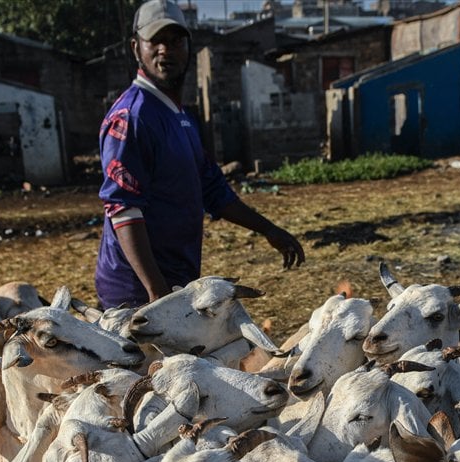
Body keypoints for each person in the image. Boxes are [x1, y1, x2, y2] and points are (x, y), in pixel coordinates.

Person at [96, 0, 304, 310]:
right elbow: (123, 209)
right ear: (136, 48)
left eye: (175, 41)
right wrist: (157, 293)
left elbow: (213, 189)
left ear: (188, 47)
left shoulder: (180, 117)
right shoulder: (132, 118)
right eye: (156, 41)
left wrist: (269, 230)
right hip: (138, 292)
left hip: (176, 281)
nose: (165, 50)